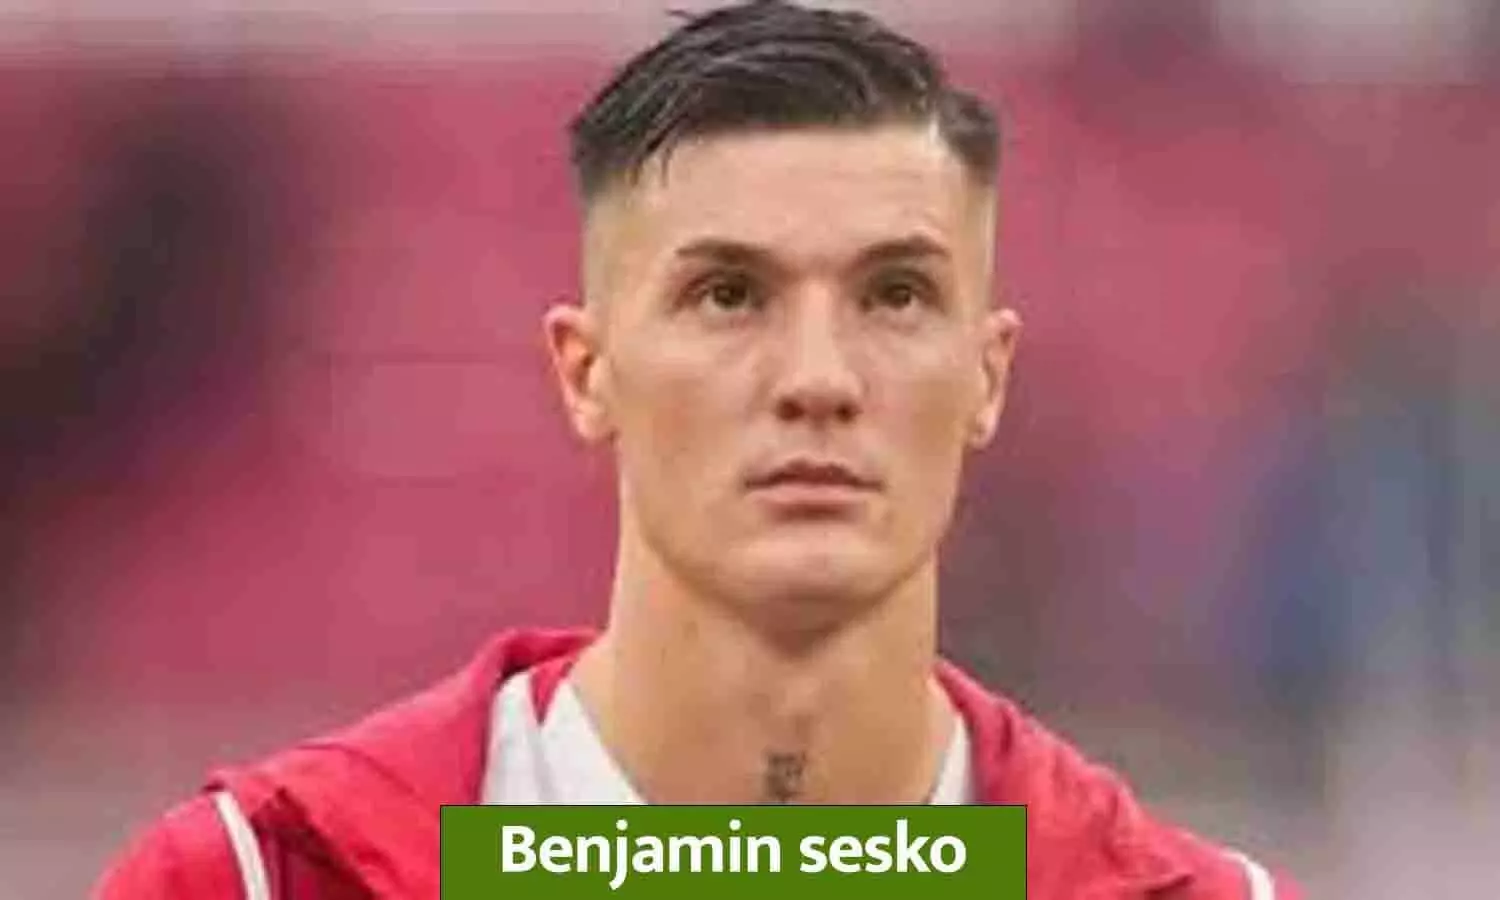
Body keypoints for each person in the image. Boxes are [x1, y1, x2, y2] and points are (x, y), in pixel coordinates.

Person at [95, 2, 1296, 896]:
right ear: (586, 370)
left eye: (895, 295)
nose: (818, 379)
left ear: (987, 375)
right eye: (729, 294)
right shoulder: (257, 882)